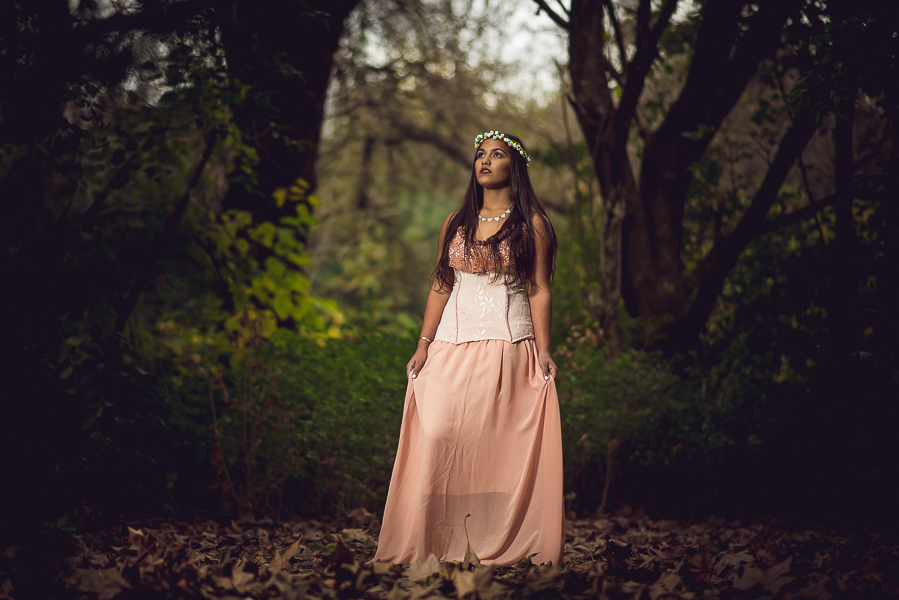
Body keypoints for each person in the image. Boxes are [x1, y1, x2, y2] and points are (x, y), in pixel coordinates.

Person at [372, 131, 564, 566]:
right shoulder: (455, 222)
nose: (486, 161)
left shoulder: (532, 224)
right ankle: (433, 540)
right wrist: (423, 343)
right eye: (480, 154)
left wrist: (545, 349)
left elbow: (538, 290)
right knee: (439, 434)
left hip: (507, 346)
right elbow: (442, 284)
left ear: (514, 167)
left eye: (497, 155)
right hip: (448, 347)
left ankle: (486, 540)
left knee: (491, 446)